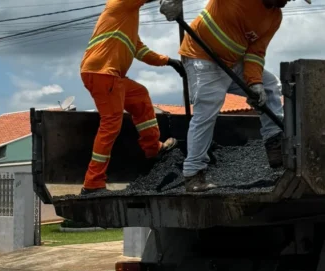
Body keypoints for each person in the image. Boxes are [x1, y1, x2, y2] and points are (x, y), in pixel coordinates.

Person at [160, 0, 311, 192]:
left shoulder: (274, 17)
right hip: (202, 56)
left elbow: (256, 53)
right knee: (207, 111)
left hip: (232, 62)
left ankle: (274, 142)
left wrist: (255, 83)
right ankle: (193, 174)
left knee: (270, 84)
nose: (287, 1)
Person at [80, 0, 186, 195]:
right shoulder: (120, 3)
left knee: (140, 96)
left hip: (111, 76)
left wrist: (169, 61)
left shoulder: (127, 19)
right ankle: (93, 182)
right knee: (111, 124)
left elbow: (140, 50)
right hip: (103, 73)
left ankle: (153, 149)